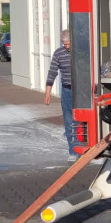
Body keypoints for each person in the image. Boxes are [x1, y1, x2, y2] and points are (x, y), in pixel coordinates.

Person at [44, 29, 77, 160]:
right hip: (67, 90)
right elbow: (52, 72)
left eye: (69, 43)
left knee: (82, 119)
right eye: (65, 44)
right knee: (69, 120)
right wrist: (48, 93)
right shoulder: (58, 53)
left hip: (82, 90)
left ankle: (86, 148)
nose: (67, 46)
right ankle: (73, 152)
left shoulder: (80, 52)